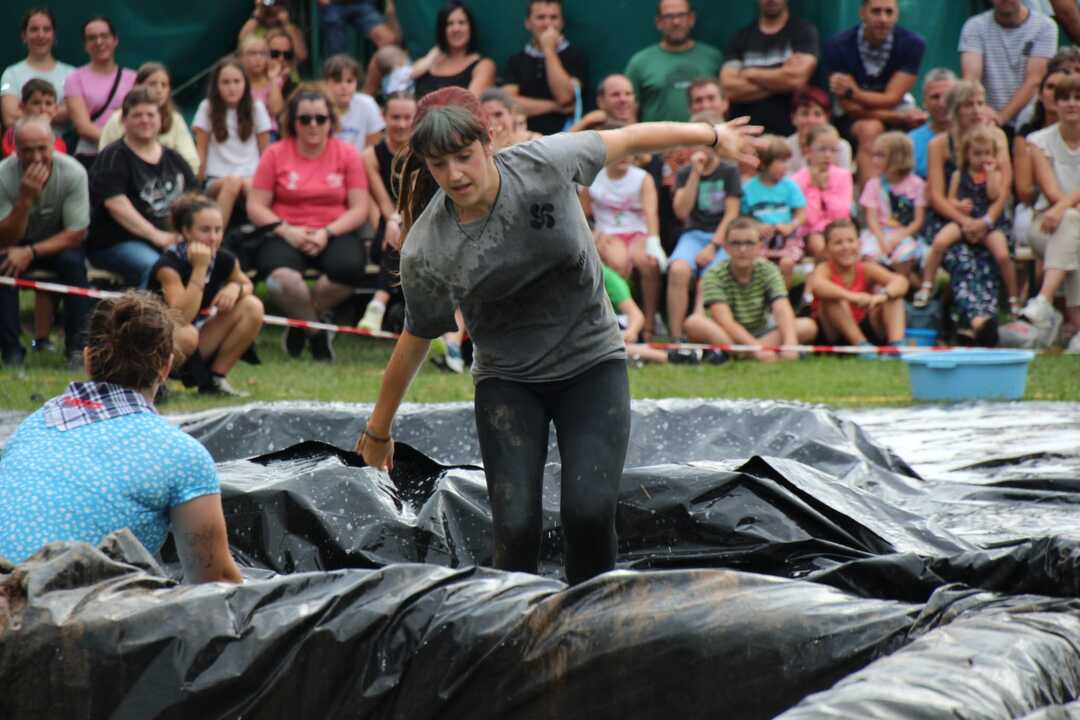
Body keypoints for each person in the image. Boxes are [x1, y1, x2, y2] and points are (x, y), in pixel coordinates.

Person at [355, 86, 763, 584]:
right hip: (508, 381)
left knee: (588, 514)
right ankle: (517, 619)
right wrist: (378, 430)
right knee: (515, 527)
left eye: (464, 157)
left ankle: (593, 615)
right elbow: (415, 340)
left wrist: (713, 135)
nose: (456, 174)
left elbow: (632, 138)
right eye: (439, 165)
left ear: (488, 141)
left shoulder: (544, 163)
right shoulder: (427, 247)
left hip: (591, 365)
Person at [0, 290, 244, 585]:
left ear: (88, 360)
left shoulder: (37, 422)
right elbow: (215, 580)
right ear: (166, 367)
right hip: (57, 607)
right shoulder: (180, 454)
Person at [247, 84, 371, 362]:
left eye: (320, 118)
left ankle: (301, 322)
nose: (313, 125)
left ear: (331, 121)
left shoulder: (348, 154)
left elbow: (360, 208)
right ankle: (317, 334)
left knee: (350, 269)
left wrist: (327, 232)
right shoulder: (275, 153)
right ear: (293, 122)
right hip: (285, 232)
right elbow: (255, 205)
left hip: (334, 231)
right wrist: (286, 230)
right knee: (281, 280)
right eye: (305, 119)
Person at [924, 80, 1013, 346]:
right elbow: (937, 196)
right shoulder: (939, 144)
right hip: (951, 218)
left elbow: (1004, 188)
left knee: (988, 258)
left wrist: (985, 221)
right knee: (962, 258)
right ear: (954, 109)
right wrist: (964, 221)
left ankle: (977, 324)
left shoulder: (997, 138)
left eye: (980, 103)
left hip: (990, 218)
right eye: (967, 105)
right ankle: (979, 322)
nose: (975, 110)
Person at [147, 194, 263, 397]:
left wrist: (235, 288)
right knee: (188, 334)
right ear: (186, 232)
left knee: (252, 306)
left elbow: (247, 284)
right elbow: (181, 317)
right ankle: (154, 381)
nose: (213, 238)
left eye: (218, 230)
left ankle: (216, 380)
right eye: (205, 230)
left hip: (197, 336)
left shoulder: (224, 259)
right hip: (157, 341)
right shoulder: (169, 265)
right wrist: (200, 269)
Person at [0, 116, 90, 368]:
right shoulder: (3, 175)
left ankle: (77, 348)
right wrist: (25, 201)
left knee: (74, 265)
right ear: (15, 150)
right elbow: (5, 237)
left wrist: (30, 252)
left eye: (42, 148)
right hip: (13, 243)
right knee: (3, 267)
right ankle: (11, 351)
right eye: (27, 150)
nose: (36, 157)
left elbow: (75, 233)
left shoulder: (73, 172)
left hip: (57, 243)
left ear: (53, 144)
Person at [86, 86, 198, 288]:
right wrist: (158, 237)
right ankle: (148, 311)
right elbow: (116, 204)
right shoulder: (113, 156)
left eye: (150, 115)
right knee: (159, 268)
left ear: (161, 119)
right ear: (124, 120)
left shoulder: (175, 159)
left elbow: (196, 202)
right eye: (137, 115)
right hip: (118, 243)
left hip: (172, 239)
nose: (145, 120)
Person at [916, 126, 1019, 314]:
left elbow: (994, 194)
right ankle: (926, 285)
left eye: (987, 153)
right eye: (977, 154)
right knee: (940, 242)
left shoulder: (994, 175)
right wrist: (959, 205)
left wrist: (990, 174)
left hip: (987, 223)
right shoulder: (959, 175)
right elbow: (950, 199)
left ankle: (1013, 298)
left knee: (1003, 255)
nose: (983, 159)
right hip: (965, 221)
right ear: (967, 154)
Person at [686, 217, 817, 362]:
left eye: (749, 243)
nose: (742, 249)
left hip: (762, 332)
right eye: (736, 243)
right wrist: (757, 349)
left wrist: (790, 343)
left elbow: (782, 308)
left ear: (759, 246)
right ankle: (753, 352)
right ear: (726, 247)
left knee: (808, 326)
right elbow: (725, 321)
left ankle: (739, 353)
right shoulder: (714, 275)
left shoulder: (768, 269)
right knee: (694, 323)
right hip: (726, 333)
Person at [823, 0, 928, 182]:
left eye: (889, 12)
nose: (883, 19)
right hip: (855, 119)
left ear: (897, 14)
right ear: (862, 12)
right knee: (870, 129)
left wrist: (855, 93)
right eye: (876, 11)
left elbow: (892, 98)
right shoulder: (837, 45)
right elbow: (851, 109)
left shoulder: (913, 44)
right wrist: (900, 117)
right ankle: (870, 198)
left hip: (897, 110)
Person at [580, 121, 666, 341]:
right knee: (617, 262)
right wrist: (593, 236)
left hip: (638, 233)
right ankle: (619, 320)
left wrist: (654, 243)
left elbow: (651, 214)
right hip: (607, 233)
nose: (625, 156)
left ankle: (649, 324)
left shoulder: (642, 178)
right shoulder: (592, 178)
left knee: (649, 263)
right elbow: (582, 214)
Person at [666, 111, 742, 340]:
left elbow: (732, 214)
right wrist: (695, 174)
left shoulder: (729, 171)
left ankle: (700, 331)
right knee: (678, 270)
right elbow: (681, 212)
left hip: (721, 236)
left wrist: (713, 246)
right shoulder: (685, 173)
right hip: (693, 234)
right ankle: (676, 338)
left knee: (709, 277)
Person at [1020, 72, 1080, 352]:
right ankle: (1054, 309)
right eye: (1065, 98)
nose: (1072, 103)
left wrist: (1064, 208)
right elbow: (1050, 189)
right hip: (1046, 224)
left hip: (1065, 220)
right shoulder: (1038, 140)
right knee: (1070, 223)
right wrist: (1062, 209)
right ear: (1055, 103)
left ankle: (1045, 304)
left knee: (1073, 232)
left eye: (1078, 97)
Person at [358, 91, 416, 334]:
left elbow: (416, 199)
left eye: (407, 117)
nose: (401, 124)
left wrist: (400, 223)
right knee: (395, 241)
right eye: (395, 117)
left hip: (417, 223)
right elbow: (382, 200)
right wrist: (393, 220)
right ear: (384, 118)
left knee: (399, 241)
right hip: (385, 229)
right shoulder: (370, 156)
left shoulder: (424, 153)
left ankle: (378, 304)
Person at [192, 56, 272, 226]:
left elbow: (266, 153)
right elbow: (201, 151)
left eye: (237, 81)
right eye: (226, 82)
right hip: (217, 179)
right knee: (232, 183)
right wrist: (197, 185)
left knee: (249, 186)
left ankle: (267, 231)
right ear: (216, 85)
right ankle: (215, 234)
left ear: (245, 83)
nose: (232, 88)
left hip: (251, 177)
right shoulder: (207, 107)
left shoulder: (256, 107)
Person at [960, 0, 1057, 137]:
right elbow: (971, 79)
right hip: (986, 122)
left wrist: (1000, 118)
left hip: (1030, 123)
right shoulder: (974, 26)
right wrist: (984, 113)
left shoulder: (1045, 26)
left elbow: (1034, 80)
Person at [722, 0, 818, 136]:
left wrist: (750, 73)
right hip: (745, 134)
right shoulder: (740, 37)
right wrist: (782, 78)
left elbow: (796, 79)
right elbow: (729, 88)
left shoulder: (803, 32)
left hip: (791, 136)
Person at [811, 218, 907, 348]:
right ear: (827, 249)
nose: (846, 247)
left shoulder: (866, 268)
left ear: (859, 244)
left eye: (851, 241)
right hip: (834, 332)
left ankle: (896, 345)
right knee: (833, 299)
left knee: (894, 296)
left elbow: (901, 281)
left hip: (866, 325)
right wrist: (852, 297)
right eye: (838, 243)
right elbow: (817, 286)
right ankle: (861, 345)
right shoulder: (824, 268)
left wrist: (882, 296)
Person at [625, 0, 722, 123]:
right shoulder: (640, 62)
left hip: (707, 134)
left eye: (681, 15)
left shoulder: (713, 57)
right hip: (658, 135)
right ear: (658, 22)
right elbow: (628, 111)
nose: (676, 22)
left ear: (691, 19)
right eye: (669, 16)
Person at [98, 63, 199, 175]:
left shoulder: (175, 120)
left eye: (164, 85)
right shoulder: (116, 119)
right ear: (137, 85)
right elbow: (104, 160)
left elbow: (192, 161)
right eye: (152, 84)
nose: (159, 90)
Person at [504, 0, 587, 134]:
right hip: (524, 136)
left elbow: (565, 98)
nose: (548, 24)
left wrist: (548, 49)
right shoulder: (516, 61)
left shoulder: (575, 55)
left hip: (564, 137)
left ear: (562, 22)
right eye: (541, 17)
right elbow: (508, 103)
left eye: (553, 18)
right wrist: (554, 106)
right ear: (528, 23)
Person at [64, 16, 137, 168]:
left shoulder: (134, 78)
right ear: (85, 45)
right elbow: (82, 126)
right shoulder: (74, 79)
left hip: (131, 155)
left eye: (104, 36)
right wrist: (121, 144)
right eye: (92, 38)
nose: (99, 42)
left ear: (115, 40)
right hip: (92, 157)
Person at [742, 135, 808, 287]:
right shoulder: (748, 188)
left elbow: (801, 213)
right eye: (781, 161)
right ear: (764, 163)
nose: (786, 166)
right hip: (760, 240)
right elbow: (742, 217)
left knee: (787, 263)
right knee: (759, 263)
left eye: (787, 161)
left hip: (786, 239)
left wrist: (790, 226)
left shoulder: (789, 186)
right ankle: (762, 297)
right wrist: (756, 227)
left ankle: (781, 297)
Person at [858, 131, 926, 278]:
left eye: (880, 156)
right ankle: (883, 284)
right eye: (874, 155)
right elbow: (871, 219)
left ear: (897, 158)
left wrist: (899, 237)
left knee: (905, 254)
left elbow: (918, 220)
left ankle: (901, 283)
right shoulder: (874, 184)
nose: (874, 160)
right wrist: (881, 239)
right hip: (879, 232)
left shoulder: (917, 184)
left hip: (905, 233)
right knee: (869, 254)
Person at [0, 8, 73, 130]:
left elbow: (74, 113)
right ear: (24, 36)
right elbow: (10, 117)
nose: (41, 35)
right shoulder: (11, 74)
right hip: (22, 142)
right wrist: (55, 112)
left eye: (46, 29)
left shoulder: (72, 74)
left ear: (54, 35)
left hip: (63, 142)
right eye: (34, 29)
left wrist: (27, 112)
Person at [408, 1, 495, 102]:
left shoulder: (483, 66)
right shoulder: (431, 60)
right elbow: (410, 75)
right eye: (449, 24)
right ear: (442, 29)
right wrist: (433, 54)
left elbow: (471, 104)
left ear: (471, 28)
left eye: (462, 23)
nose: (456, 29)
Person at [792, 124, 853, 262]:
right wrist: (814, 188)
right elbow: (810, 219)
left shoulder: (843, 175)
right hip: (810, 233)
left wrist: (825, 191)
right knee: (817, 241)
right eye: (822, 149)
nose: (828, 155)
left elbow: (841, 212)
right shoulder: (798, 179)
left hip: (839, 227)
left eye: (833, 150)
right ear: (808, 150)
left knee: (844, 241)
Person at [324, 54, 385, 152]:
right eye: (337, 81)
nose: (344, 86)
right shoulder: (318, 107)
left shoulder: (368, 104)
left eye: (349, 81)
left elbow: (373, 147)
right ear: (326, 83)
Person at [786, 86, 854, 173]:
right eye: (804, 114)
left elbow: (844, 178)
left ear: (827, 118)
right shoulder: (786, 147)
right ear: (793, 118)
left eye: (817, 114)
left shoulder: (841, 147)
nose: (811, 120)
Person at [909, 68, 957, 179]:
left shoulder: (974, 137)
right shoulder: (910, 142)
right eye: (935, 97)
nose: (942, 103)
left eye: (948, 96)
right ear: (924, 102)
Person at [2, 79, 67, 158]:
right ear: (22, 107)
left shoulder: (58, 141)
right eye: (36, 103)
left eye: (48, 104)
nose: (43, 108)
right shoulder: (14, 133)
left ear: (56, 109)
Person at [238, 0, 307, 69]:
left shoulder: (290, 30)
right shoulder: (255, 28)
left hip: (287, 73)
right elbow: (241, 42)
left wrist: (286, 24)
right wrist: (258, 13)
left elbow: (302, 55)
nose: (272, 8)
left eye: (278, 4)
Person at [318, 0, 400, 58]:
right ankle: (338, 74)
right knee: (336, 53)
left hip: (362, 4)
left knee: (388, 40)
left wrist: (390, 4)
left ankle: (387, 75)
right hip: (333, 5)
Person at [240, 35, 286, 138]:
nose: (258, 58)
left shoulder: (275, 81)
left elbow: (276, 110)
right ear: (242, 57)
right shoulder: (236, 81)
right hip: (243, 132)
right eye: (252, 53)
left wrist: (273, 78)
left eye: (263, 53)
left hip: (269, 133)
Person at [570, 74, 638, 132]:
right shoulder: (591, 130)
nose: (623, 99)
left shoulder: (641, 128)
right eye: (615, 94)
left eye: (628, 94)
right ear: (600, 101)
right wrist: (585, 122)